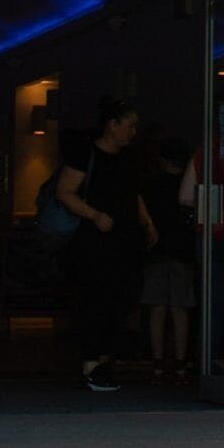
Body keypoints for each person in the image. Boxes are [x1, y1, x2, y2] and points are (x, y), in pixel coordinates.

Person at [50, 99, 158, 391]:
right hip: (96, 241)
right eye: (129, 125)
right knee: (95, 299)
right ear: (112, 124)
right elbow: (65, 191)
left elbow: (134, 194)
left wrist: (147, 222)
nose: (133, 132)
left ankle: (105, 360)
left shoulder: (128, 158)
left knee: (121, 298)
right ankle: (92, 363)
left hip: (124, 238)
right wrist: (94, 215)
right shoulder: (86, 153)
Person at [139, 139, 200, 383]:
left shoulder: (151, 186)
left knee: (157, 308)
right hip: (182, 253)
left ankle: (156, 364)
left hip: (155, 252)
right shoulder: (190, 188)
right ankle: (181, 364)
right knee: (180, 309)